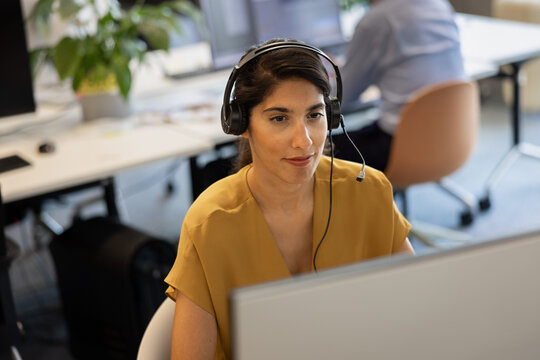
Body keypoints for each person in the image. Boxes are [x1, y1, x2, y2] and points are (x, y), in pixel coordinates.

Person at [164, 39, 415, 360]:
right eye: (279, 118)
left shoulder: (367, 190)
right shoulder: (211, 223)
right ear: (241, 124)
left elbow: (419, 307)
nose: (304, 141)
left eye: (314, 115)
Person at [334, 0, 466, 171]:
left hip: (399, 147)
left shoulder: (376, 21)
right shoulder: (440, 5)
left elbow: (340, 97)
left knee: (315, 150)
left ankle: (378, 193)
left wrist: (317, 77)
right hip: (454, 138)